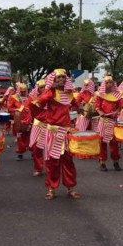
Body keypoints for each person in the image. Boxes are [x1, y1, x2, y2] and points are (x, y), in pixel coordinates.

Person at [33, 69, 80, 200]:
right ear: (53, 80)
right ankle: (51, 188)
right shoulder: (50, 92)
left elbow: (77, 106)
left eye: (63, 78)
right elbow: (39, 102)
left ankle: (70, 187)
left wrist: (84, 109)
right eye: (58, 78)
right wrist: (49, 90)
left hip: (65, 131)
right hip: (52, 131)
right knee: (52, 162)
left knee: (68, 161)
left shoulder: (69, 93)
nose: (61, 80)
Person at [95, 75, 123, 171]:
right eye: (107, 83)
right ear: (104, 84)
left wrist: (117, 111)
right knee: (102, 142)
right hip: (103, 121)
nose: (109, 84)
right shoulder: (100, 95)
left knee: (114, 143)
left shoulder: (117, 95)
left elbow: (120, 107)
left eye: (111, 82)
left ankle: (116, 161)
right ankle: (102, 162)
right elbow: (97, 107)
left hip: (113, 121)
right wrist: (101, 113)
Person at [26, 79, 47, 177]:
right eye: (41, 87)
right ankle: (39, 168)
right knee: (36, 148)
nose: (43, 89)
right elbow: (25, 107)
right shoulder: (32, 98)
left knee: (52, 149)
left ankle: (53, 168)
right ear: (37, 89)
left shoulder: (52, 97)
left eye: (45, 87)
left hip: (51, 125)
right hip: (38, 124)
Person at [8, 82, 31, 161]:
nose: (23, 93)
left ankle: (33, 152)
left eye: (24, 92)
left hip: (29, 120)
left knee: (30, 136)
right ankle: (20, 153)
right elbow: (10, 108)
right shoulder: (13, 97)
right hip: (19, 120)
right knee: (20, 137)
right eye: (22, 92)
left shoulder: (30, 97)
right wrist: (17, 110)